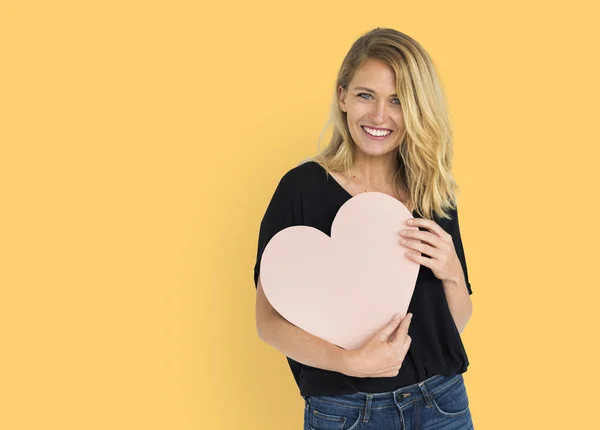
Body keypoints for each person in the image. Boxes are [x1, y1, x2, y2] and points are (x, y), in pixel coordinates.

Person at [253, 27, 475, 429]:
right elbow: (267, 322)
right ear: (343, 97)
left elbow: (453, 325)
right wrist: (347, 361)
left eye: (397, 101)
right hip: (345, 411)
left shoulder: (431, 191)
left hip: (441, 402)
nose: (378, 116)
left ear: (417, 108)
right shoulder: (300, 189)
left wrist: (453, 273)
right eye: (365, 95)